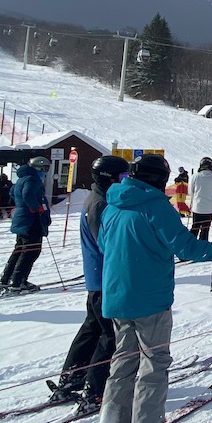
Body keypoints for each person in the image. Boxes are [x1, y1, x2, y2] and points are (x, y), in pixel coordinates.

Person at [91, 154, 212, 423]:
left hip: (117, 297)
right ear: (157, 179)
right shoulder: (155, 206)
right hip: (149, 299)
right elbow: (186, 247)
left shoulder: (112, 205)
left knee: (123, 363)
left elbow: (104, 246)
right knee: (153, 365)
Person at [51, 155, 129, 408]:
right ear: (109, 178)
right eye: (122, 177)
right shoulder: (100, 205)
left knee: (92, 327)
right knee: (109, 334)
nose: (124, 182)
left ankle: (73, 376)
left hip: (98, 276)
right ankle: (95, 388)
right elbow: (107, 245)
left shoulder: (98, 198)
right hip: (104, 277)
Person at [0, 156, 52, 293]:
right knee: (30, 252)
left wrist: (21, 205)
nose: (45, 172)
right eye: (45, 169)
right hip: (31, 220)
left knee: (20, 250)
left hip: (21, 218)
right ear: (39, 168)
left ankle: (6, 279)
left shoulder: (22, 178)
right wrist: (35, 207)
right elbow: (27, 194)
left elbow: (12, 192)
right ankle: (18, 282)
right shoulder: (32, 179)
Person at [188, 157, 212, 240]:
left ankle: (191, 246)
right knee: (205, 230)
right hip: (209, 208)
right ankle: (203, 247)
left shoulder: (195, 176)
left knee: (195, 227)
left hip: (197, 207)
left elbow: (190, 192)